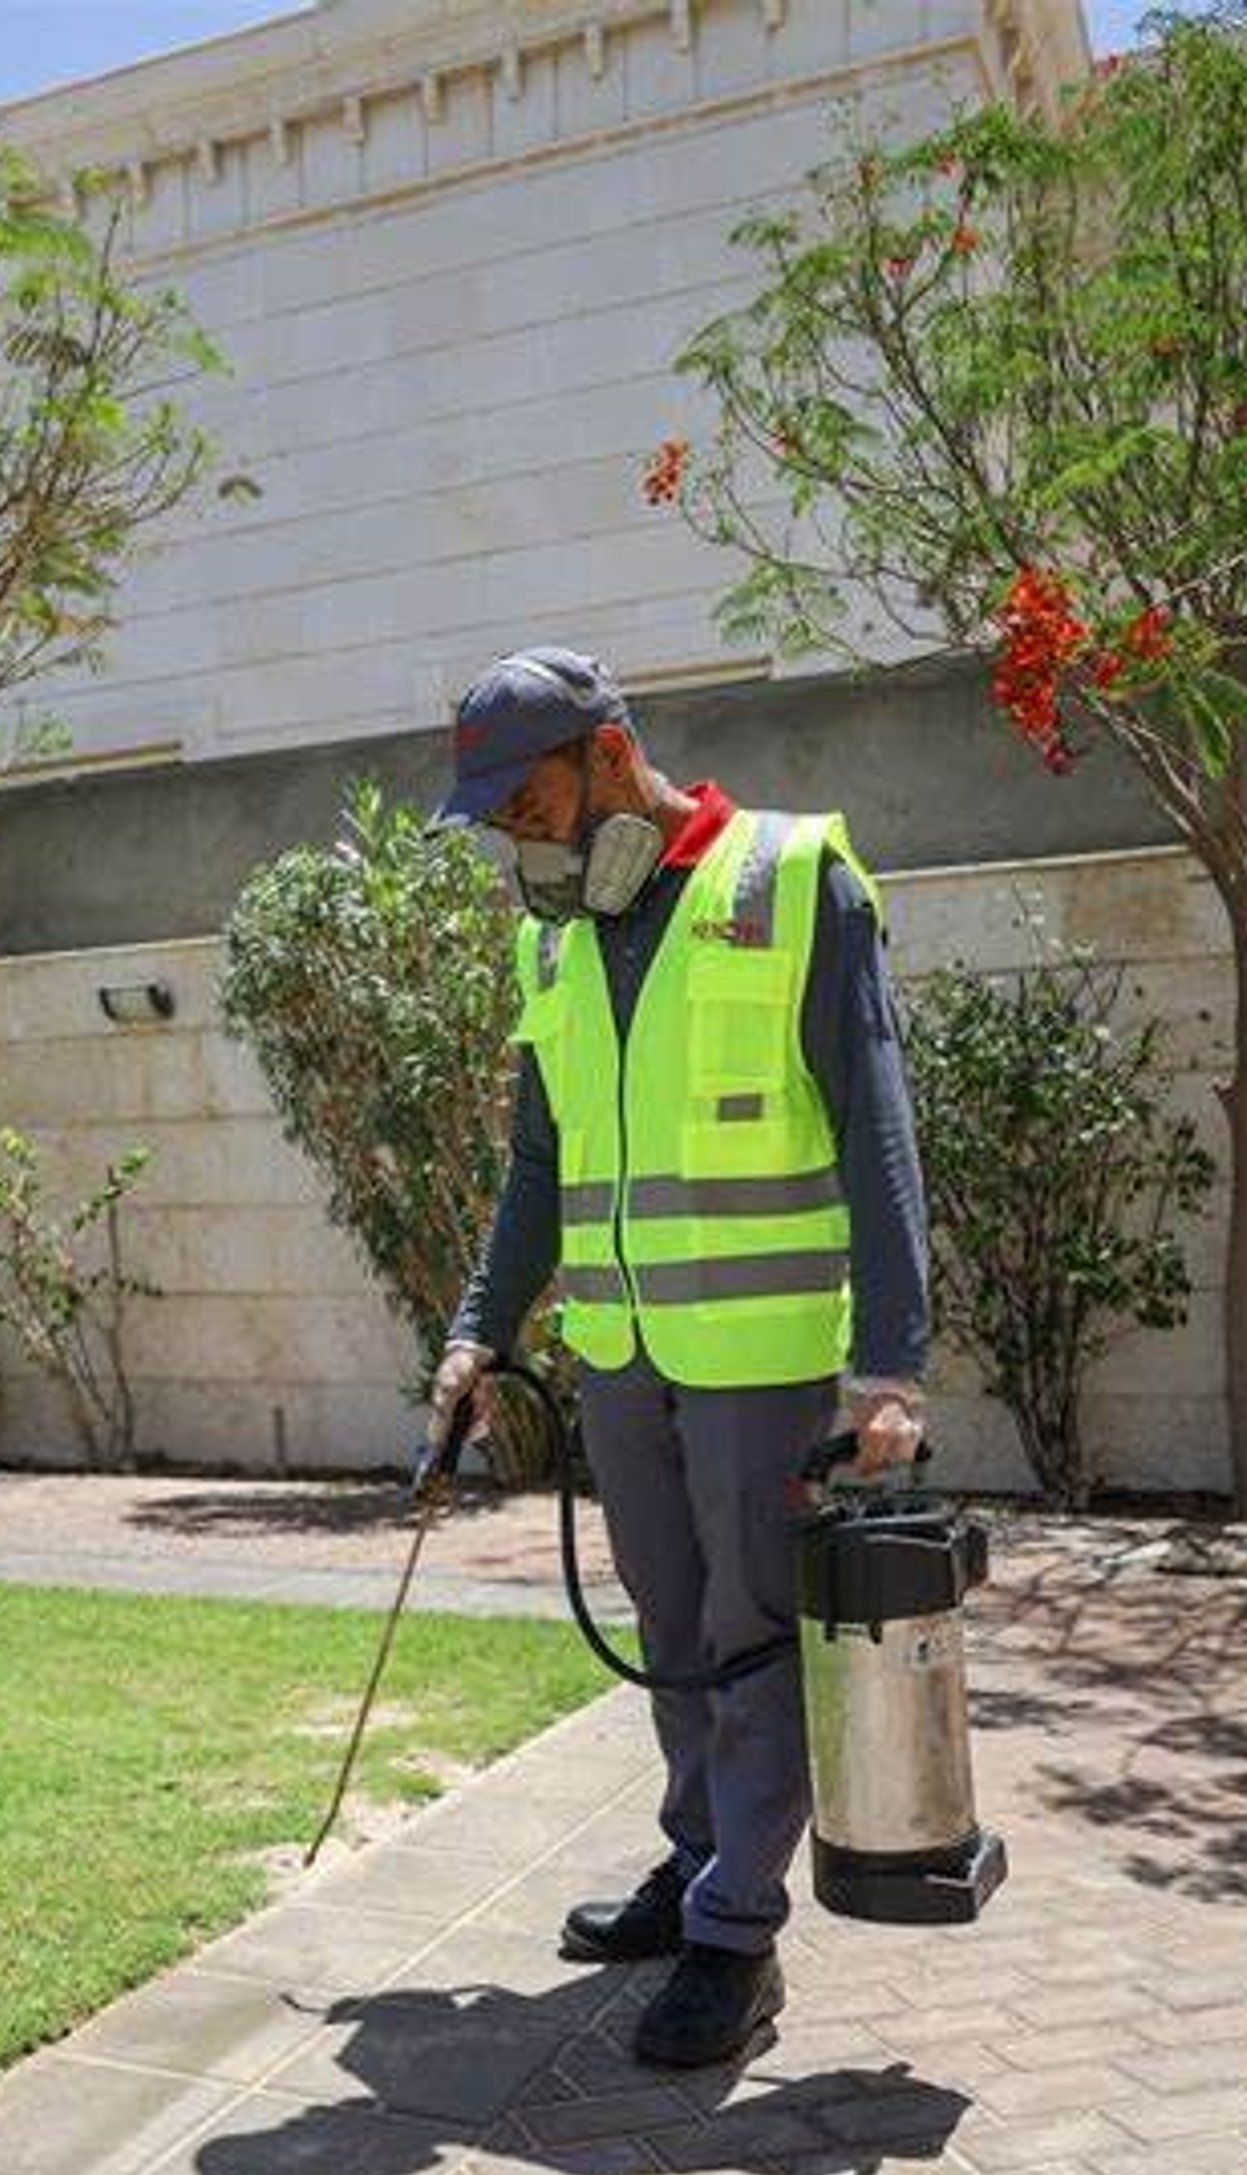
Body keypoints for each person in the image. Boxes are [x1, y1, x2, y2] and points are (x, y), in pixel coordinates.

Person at [427, 645, 927, 2068]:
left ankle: (736, 1938)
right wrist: (479, 1327)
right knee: (666, 1625)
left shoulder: (792, 881)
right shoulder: (553, 934)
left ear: (607, 754)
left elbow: (878, 1132)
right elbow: (541, 1165)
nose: (509, 830)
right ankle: (701, 1854)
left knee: (752, 1638)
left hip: (761, 1354)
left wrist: (890, 1365)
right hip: (625, 1356)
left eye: (520, 796)